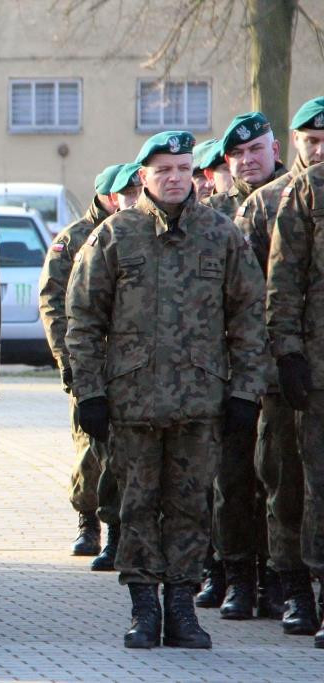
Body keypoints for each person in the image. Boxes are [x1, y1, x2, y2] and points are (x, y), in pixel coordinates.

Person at [67, 130, 266, 650]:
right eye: (163, 171)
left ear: (193, 174)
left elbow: (249, 318)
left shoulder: (222, 235)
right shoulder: (115, 236)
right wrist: (89, 393)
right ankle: (141, 609)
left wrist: (246, 392)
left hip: (202, 402)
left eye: (182, 168)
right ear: (143, 178)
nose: (174, 178)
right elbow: (83, 320)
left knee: (191, 506)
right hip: (131, 402)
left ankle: (181, 605)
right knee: (135, 505)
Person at [235, 96, 324, 638]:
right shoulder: (277, 201)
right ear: (291, 142)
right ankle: (293, 584)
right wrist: (283, 354)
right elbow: (269, 289)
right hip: (295, 370)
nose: (318, 148)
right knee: (290, 483)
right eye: (310, 139)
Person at [204, 113, 288, 622]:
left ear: (274, 148)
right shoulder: (211, 216)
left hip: (283, 370)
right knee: (231, 478)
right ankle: (236, 575)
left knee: (280, 478)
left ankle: (281, 579)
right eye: (237, 155)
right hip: (231, 367)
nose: (247, 161)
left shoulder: (292, 201)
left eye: (255, 150)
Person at [40, 164, 121, 568]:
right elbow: (53, 303)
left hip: (127, 365)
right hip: (87, 361)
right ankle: (88, 521)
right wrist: (66, 360)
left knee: (123, 454)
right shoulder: (73, 239)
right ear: (104, 195)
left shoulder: (134, 230)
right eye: (118, 193)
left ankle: (120, 531)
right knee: (89, 451)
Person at [265, 100, 324, 649]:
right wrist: (288, 355)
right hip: (319, 369)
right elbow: (284, 280)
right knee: (316, 486)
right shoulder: (307, 193)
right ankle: (315, 593)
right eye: (313, 137)